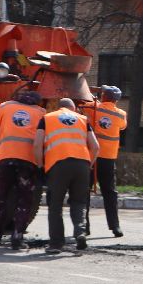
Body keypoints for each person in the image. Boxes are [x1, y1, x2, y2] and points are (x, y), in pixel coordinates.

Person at [0, 83, 46, 250]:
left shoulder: (5, 106)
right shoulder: (41, 113)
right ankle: (17, 238)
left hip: (5, 159)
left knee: (0, 199)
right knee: (24, 200)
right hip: (28, 162)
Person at [43, 98, 98, 252]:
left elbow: (37, 143)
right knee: (79, 202)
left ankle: (56, 244)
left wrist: (40, 165)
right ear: (73, 108)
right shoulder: (83, 119)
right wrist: (89, 164)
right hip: (82, 166)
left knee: (55, 205)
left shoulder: (47, 118)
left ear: (59, 107)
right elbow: (95, 146)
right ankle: (80, 233)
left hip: (57, 165)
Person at [88, 85, 128, 237]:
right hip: (109, 158)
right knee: (110, 193)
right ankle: (115, 226)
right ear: (116, 100)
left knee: (84, 191)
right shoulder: (121, 114)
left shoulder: (94, 108)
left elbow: (83, 105)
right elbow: (123, 127)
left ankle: (84, 227)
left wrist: (94, 94)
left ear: (103, 96)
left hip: (92, 157)